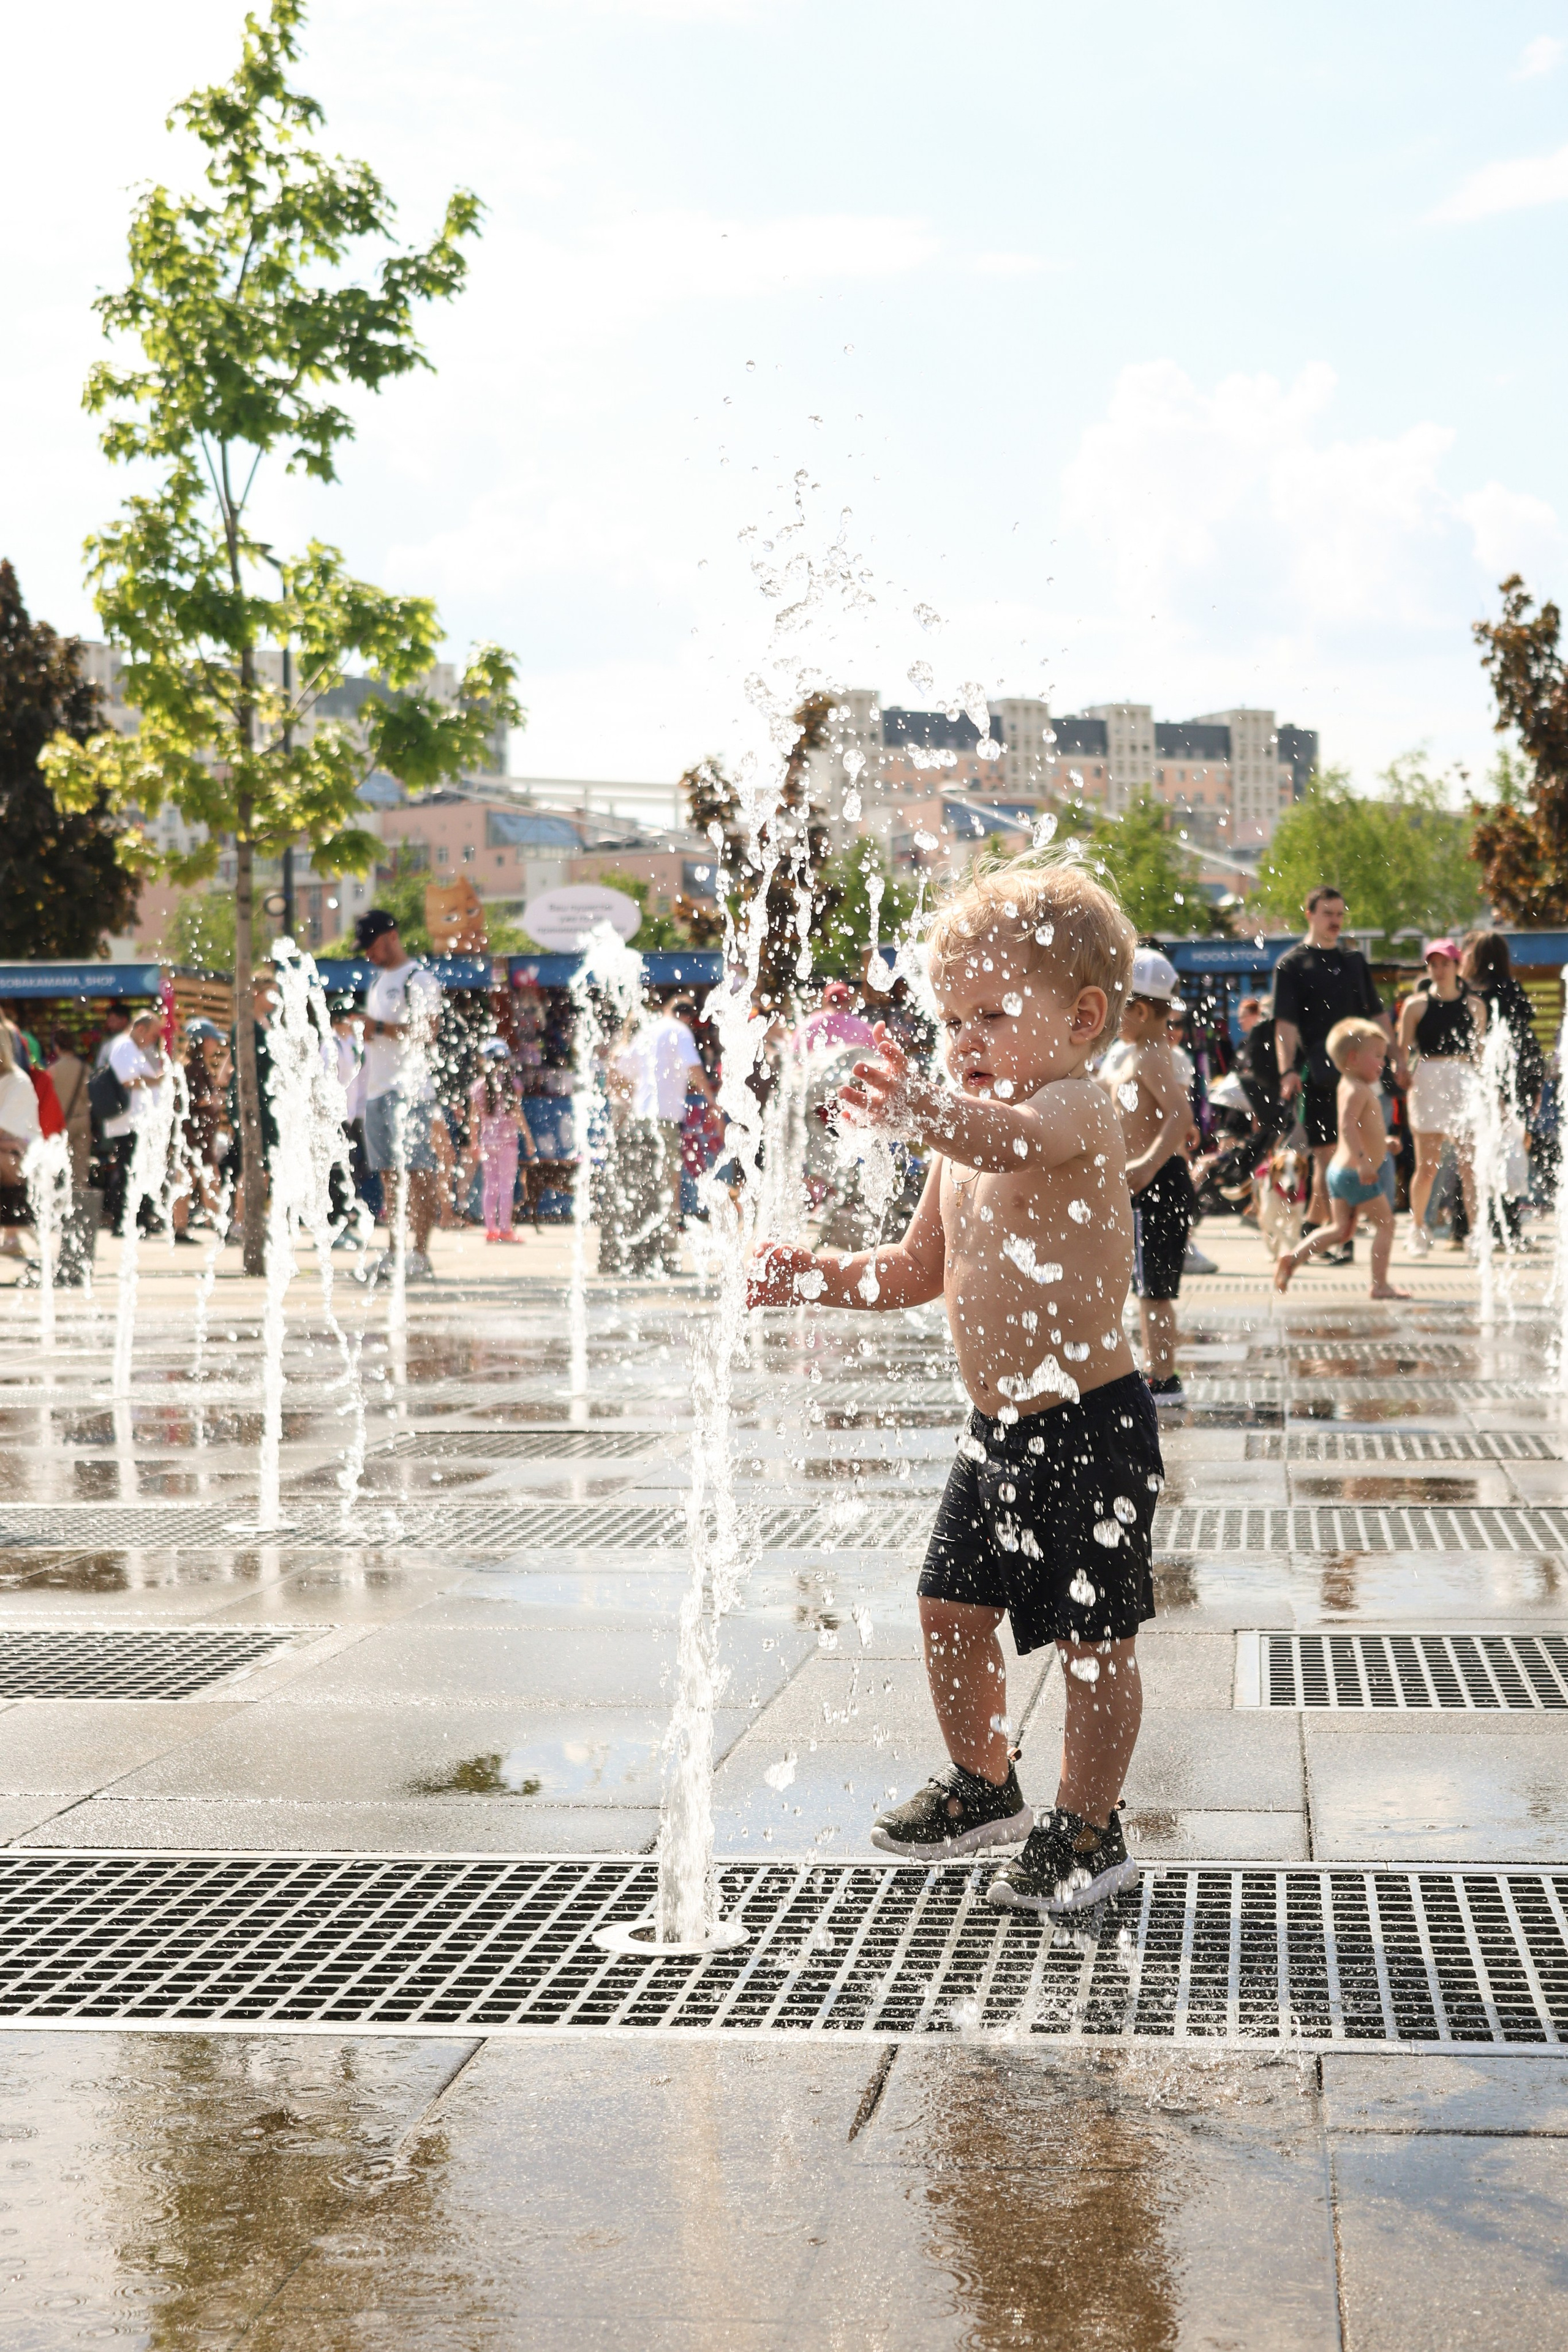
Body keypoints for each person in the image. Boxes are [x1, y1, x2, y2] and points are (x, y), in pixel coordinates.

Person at [748, 855, 1161, 1917]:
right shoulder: (956, 1139)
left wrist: (925, 1109)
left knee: (1092, 1641)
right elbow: (913, 1270)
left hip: (1089, 1425)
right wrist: (811, 1275)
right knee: (946, 1605)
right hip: (996, 1431)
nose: (963, 1040)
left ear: (1079, 1018)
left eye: (989, 1013)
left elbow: (1013, 1137)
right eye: (949, 1019)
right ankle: (985, 1787)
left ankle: (1090, 1826)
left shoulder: (1077, 1108)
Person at [1272, 889, 1399, 1257]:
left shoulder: (1354, 960)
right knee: (1330, 1158)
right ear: (1309, 914)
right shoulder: (1292, 965)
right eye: (1328, 913)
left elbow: (1376, 1014)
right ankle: (1340, 1238)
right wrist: (1287, 1071)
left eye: (1341, 913)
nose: (1336, 920)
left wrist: (1395, 1057)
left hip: (1361, 1075)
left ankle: (1317, 1230)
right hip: (1319, 1075)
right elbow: (1285, 1025)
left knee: (1347, 1158)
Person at [1097, 949, 1196, 1407]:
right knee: (1143, 1284)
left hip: (1160, 1181)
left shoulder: (1152, 1057)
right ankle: (1154, 1370)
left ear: (1138, 1010)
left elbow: (1181, 1114)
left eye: (1118, 1010)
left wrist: (1150, 1163)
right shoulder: (1138, 1054)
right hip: (1147, 1181)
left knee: (1154, 1288)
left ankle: (1162, 1376)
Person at [1273, 1020, 1409, 1300]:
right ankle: (1380, 1285)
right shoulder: (1359, 1090)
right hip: (1353, 1172)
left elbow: (1359, 1128)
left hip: (1340, 1170)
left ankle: (1293, 1257)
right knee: (1386, 1224)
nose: (1383, 1063)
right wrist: (1364, 1162)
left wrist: (1382, 1143)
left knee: (1340, 1231)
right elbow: (1346, 1127)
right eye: (1378, 1056)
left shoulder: (1349, 1085)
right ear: (1353, 1058)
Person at [354, 909, 443, 1284]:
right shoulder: (376, 984)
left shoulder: (418, 979)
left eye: (371, 945)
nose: (368, 954)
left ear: (391, 936)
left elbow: (428, 1033)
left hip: (411, 1092)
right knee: (390, 1178)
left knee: (419, 1175)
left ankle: (420, 1255)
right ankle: (394, 1253)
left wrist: (378, 1028)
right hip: (377, 1091)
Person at [611, 994, 718, 1277]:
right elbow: (693, 1067)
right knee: (666, 1189)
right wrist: (712, 1101)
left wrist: (633, 1099)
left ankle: (638, 1257)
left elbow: (621, 1071)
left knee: (640, 1189)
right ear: (687, 1017)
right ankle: (666, 1257)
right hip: (664, 1120)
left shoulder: (648, 1029)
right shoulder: (680, 1031)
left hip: (640, 1120)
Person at [1396, 938, 1487, 1256]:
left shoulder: (1476, 1006)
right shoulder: (1416, 1006)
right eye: (1433, 963)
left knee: (1470, 1165)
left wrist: (1488, 1093)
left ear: (1457, 965)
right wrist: (1401, 1071)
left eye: (1445, 963)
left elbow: (1481, 1053)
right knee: (1428, 1166)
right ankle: (1418, 1226)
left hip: (1463, 1078)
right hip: (1429, 1078)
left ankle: (1477, 1234)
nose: (1438, 969)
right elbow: (1403, 1048)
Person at [99, 1006, 171, 1236]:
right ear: (140, 1028)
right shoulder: (123, 1046)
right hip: (127, 1122)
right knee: (127, 1171)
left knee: (137, 1171)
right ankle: (122, 1221)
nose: (154, 1039)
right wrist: (158, 1081)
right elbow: (128, 1081)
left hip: (137, 1122)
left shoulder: (134, 1048)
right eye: (152, 1035)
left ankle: (138, 1219)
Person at [464, 1038, 535, 1242]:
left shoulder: (477, 1087)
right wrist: (529, 1139)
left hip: (488, 1142)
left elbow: (473, 1118)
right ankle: (505, 1229)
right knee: (506, 1186)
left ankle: (491, 1230)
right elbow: (518, 1114)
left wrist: (473, 1142)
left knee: (490, 1185)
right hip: (508, 1143)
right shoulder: (513, 1085)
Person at [795, 979, 875, 1058]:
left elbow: (795, 1053)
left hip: (819, 1069)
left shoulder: (810, 1023)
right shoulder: (861, 1026)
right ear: (848, 1001)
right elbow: (878, 1053)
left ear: (825, 1001)